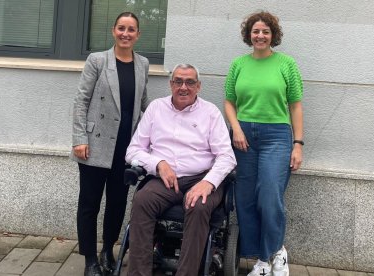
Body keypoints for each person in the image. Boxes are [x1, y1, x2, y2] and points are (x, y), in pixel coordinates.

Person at [124, 64, 236, 276]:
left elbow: (227, 156)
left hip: (202, 177)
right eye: (178, 81)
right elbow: (133, 151)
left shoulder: (210, 113)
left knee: (199, 205)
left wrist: (208, 182)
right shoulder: (156, 108)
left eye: (190, 82)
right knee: (142, 200)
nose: (183, 87)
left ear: (198, 86)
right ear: (171, 84)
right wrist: (158, 164)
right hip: (165, 179)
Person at [224, 11, 304, 276]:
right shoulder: (238, 64)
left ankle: (276, 251)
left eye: (265, 32)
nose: (260, 35)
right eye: (256, 31)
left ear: (273, 36)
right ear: (249, 34)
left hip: (276, 137)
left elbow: (295, 105)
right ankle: (260, 261)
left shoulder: (286, 64)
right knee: (245, 199)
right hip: (243, 136)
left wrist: (298, 143)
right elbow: (229, 102)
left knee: (269, 195)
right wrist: (236, 130)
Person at [71, 12, 149, 276]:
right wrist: (79, 139)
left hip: (126, 147)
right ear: (114, 31)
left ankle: (107, 251)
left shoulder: (143, 64)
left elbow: (143, 105)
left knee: (117, 202)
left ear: (138, 34)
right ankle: (90, 260)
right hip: (95, 144)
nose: (126, 34)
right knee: (90, 203)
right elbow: (81, 101)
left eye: (131, 29)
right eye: (121, 28)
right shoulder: (97, 60)